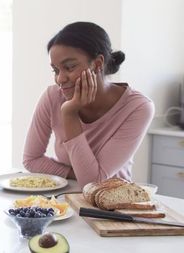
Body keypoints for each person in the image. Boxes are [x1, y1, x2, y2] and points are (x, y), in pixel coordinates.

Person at [22, 22, 154, 189]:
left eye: (69, 67)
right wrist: (80, 172)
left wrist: (69, 114)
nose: (60, 79)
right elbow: (31, 159)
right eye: (55, 70)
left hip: (113, 205)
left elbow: (93, 183)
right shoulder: (53, 96)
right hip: (65, 198)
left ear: (97, 64)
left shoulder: (138, 107)